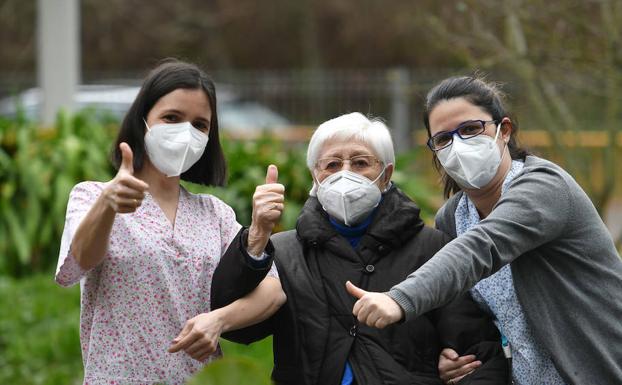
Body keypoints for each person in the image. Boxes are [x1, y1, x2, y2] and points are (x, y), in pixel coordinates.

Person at [349, 76, 622, 385]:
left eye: (470, 130)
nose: (458, 145)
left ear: (503, 131)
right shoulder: (453, 218)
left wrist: (399, 299)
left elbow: (481, 248)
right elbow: (466, 313)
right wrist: (451, 355)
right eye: (443, 139)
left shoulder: (543, 187)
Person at [210, 112, 508, 385]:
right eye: (332, 165)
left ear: (386, 174)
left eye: (361, 163)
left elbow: (478, 354)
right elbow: (238, 330)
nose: (345, 173)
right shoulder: (285, 252)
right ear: (315, 175)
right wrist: (258, 235)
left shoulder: (432, 249)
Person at [55, 59, 286, 385]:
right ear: (142, 121)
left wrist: (219, 321)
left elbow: (273, 292)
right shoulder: (92, 196)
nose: (186, 132)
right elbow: (78, 262)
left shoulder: (215, 214)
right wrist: (108, 205)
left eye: (200, 125)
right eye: (172, 118)